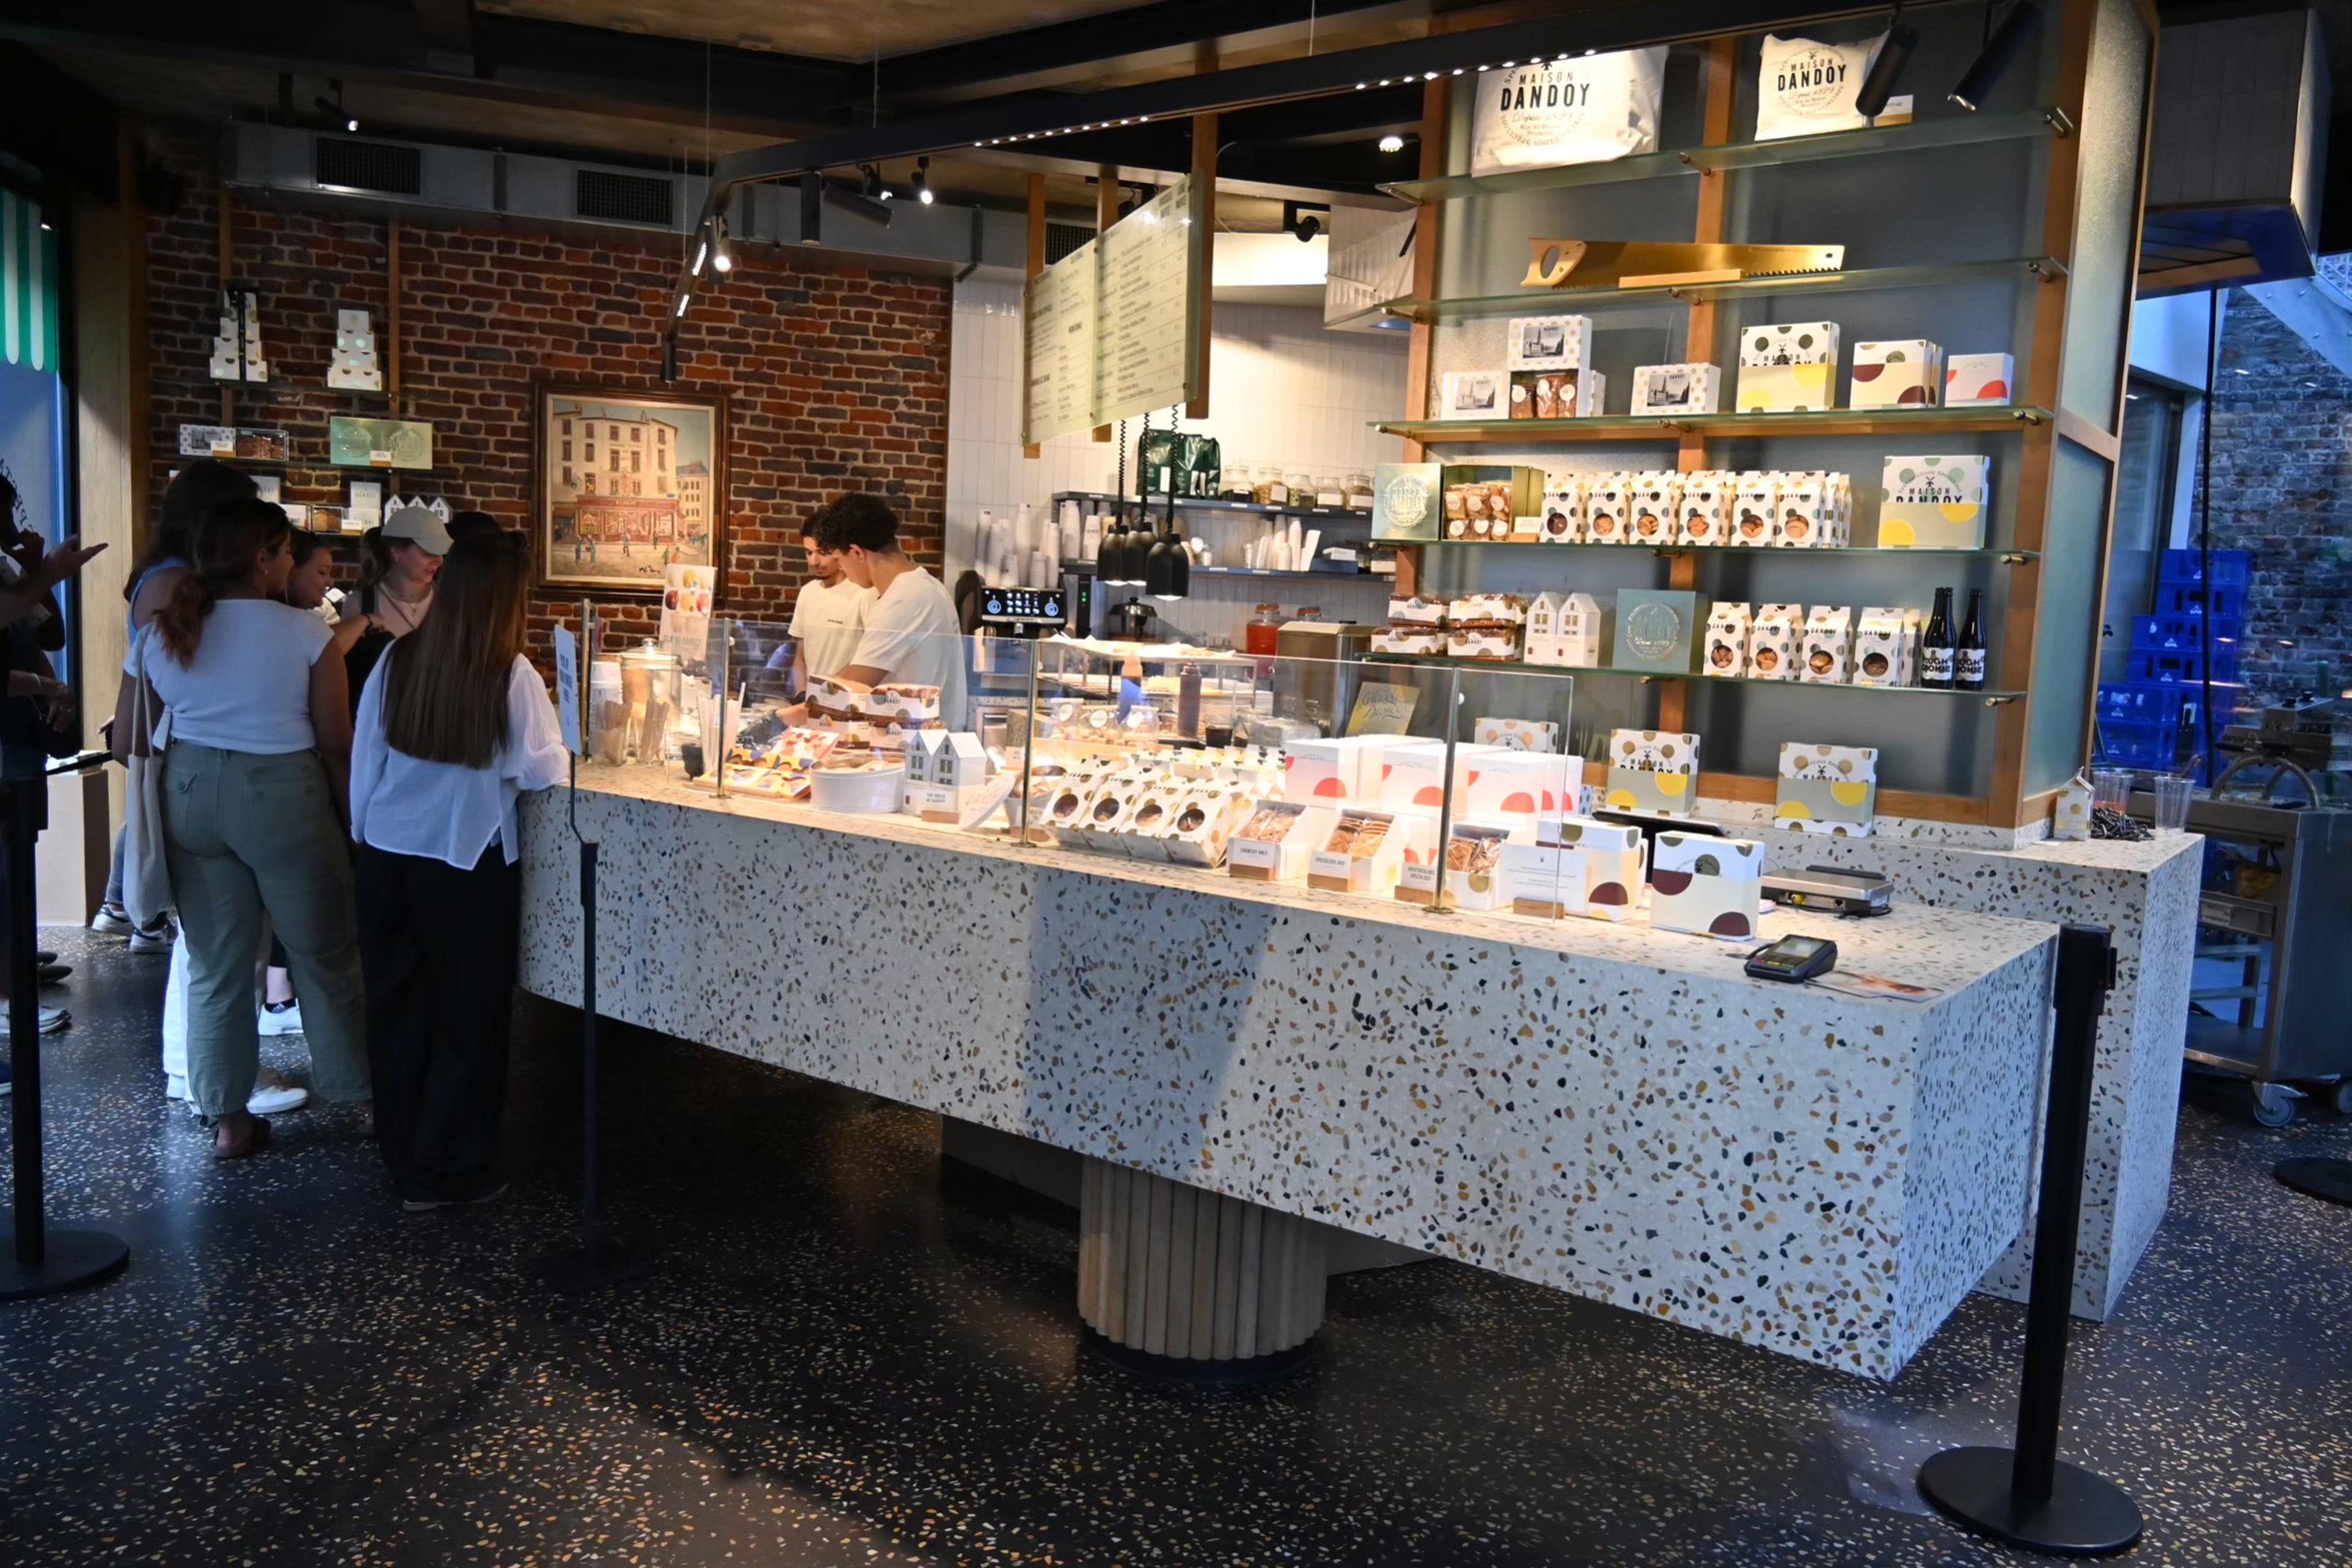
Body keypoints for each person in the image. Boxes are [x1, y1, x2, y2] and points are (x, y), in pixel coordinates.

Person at [126, 498, 369, 1158]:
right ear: (262, 558)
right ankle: (358, 1097)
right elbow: (336, 744)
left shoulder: (164, 631)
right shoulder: (306, 634)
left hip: (190, 796)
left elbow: (131, 738)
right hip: (283, 797)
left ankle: (228, 1120)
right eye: (287, 553)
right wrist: (355, 825)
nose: (291, 564)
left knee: (216, 966)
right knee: (324, 953)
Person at [350, 528, 564, 1210]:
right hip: (466, 863)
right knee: (467, 1025)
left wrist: (364, 840)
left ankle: (407, 1164)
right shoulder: (512, 673)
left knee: (397, 1016)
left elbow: (365, 762)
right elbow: (543, 768)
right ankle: (452, 1169)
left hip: (388, 857)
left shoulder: (398, 658)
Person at [93, 458, 254, 948]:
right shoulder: (176, 579)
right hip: (179, 732)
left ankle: (125, 907)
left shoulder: (166, 572)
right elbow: (176, 666)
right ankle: (132, 911)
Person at [813, 494, 967, 726]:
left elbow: (851, 688)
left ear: (857, 553)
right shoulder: (927, 586)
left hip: (915, 741)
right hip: (925, 735)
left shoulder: (903, 599)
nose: (842, 569)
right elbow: (858, 668)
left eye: (839, 560)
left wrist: (785, 717)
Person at [786, 516, 872, 687]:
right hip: (812, 698)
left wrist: (825, 693)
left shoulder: (864, 592)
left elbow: (868, 660)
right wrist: (802, 694)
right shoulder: (807, 592)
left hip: (848, 697)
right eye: (809, 553)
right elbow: (800, 657)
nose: (814, 561)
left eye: (822, 553)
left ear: (838, 551)